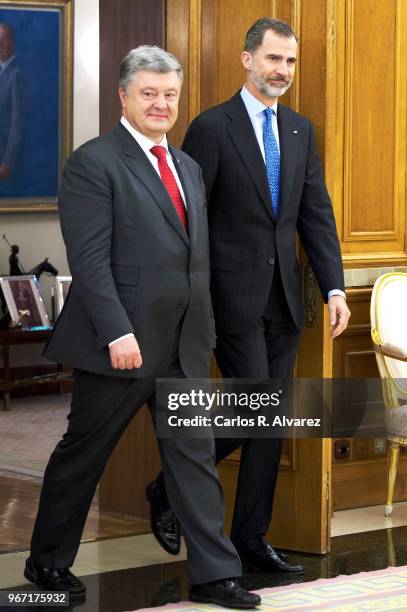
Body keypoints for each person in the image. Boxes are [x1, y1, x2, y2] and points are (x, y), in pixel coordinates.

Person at [24, 46, 260, 609]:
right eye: (149, 93)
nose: (161, 103)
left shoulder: (189, 168)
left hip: (184, 342)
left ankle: (214, 574)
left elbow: (193, 259)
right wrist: (116, 332)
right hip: (121, 345)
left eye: (170, 94)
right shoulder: (94, 162)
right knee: (85, 454)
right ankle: (47, 562)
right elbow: (91, 259)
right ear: (124, 96)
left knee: (193, 457)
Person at [148, 18, 351, 573]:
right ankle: (167, 489)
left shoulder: (300, 131)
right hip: (229, 299)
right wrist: (189, 297)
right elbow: (188, 218)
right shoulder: (212, 128)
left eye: (289, 62)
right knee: (255, 411)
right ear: (246, 59)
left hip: (285, 300)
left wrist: (333, 284)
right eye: (272, 60)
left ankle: (250, 538)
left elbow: (316, 213)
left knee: (271, 416)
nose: (281, 71)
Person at [0, 23, 27, 189]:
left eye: (3, 40)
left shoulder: (16, 75)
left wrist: (7, 162)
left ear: (13, 43)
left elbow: (18, 122)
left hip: (4, 158)